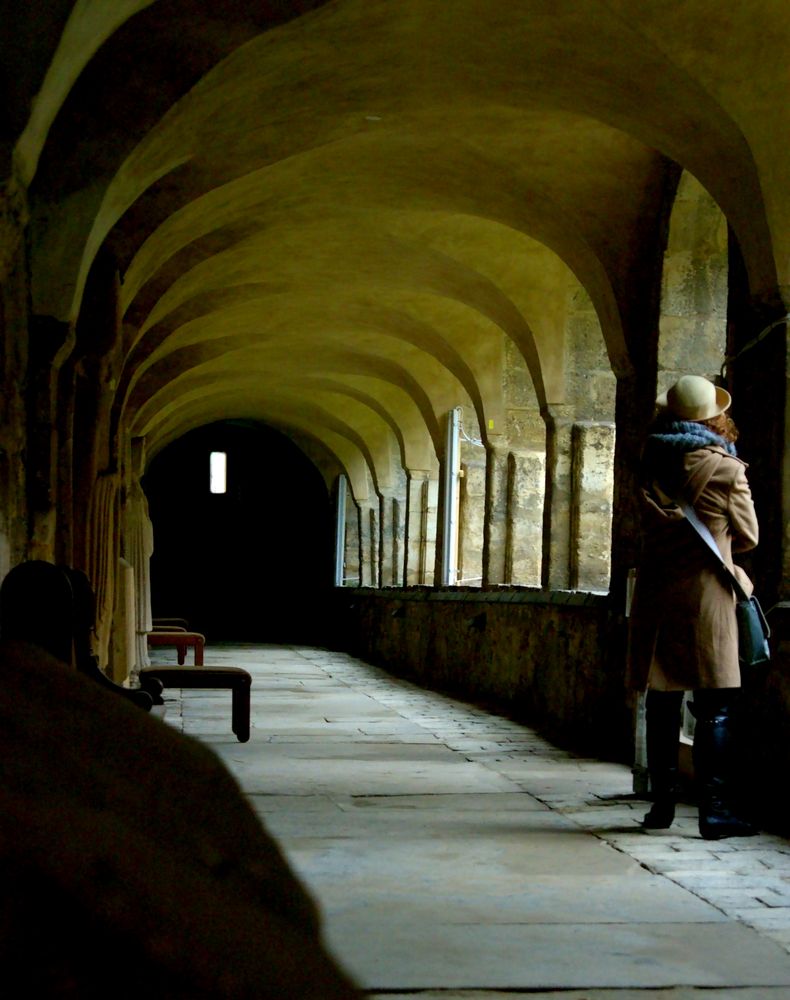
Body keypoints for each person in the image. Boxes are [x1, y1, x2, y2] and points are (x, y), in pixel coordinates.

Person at [628, 374, 759, 840]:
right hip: (706, 597)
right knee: (716, 706)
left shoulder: (648, 462)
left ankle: (661, 805)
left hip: (660, 596)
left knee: (663, 699)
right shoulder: (726, 469)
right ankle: (715, 811)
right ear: (714, 417)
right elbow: (749, 537)